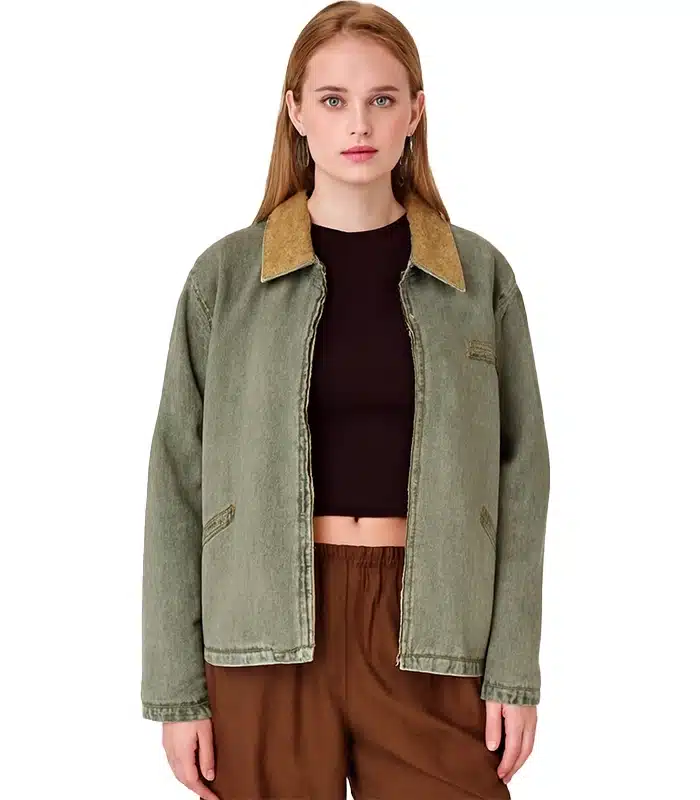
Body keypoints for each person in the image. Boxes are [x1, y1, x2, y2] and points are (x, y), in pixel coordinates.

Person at [140, 3, 550, 799]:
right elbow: (176, 483)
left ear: (415, 111)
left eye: (381, 99)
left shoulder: (478, 278)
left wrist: (513, 668)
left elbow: (523, 476)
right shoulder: (226, 279)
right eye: (333, 99)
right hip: (263, 629)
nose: (358, 123)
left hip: (435, 625)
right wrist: (176, 692)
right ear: (296, 111)